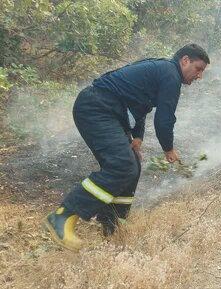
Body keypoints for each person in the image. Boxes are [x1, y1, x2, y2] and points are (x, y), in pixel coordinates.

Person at [43, 44, 209, 251]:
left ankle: (111, 225)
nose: (199, 76)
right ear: (185, 60)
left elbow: (138, 103)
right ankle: (62, 217)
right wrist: (168, 148)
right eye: (198, 69)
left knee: (133, 165)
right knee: (122, 165)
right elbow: (164, 119)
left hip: (110, 111)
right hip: (96, 107)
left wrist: (137, 136)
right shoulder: (170, 74)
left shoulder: (163, 70)